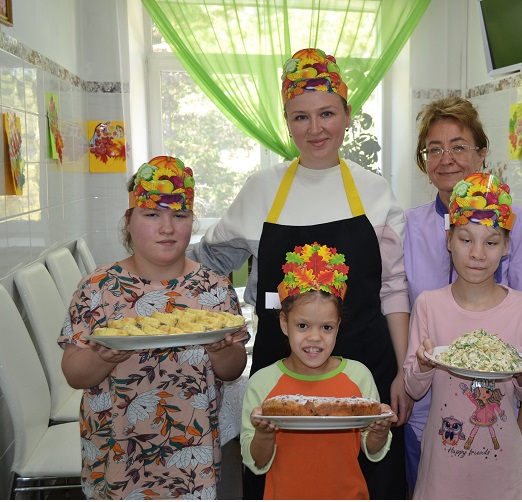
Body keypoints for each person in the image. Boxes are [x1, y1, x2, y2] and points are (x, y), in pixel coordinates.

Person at [189, 47, 411, 499]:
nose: (315, 129)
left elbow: (393, 289)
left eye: (326, 113)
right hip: (281, 374)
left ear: (347, 115)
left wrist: (403, 372)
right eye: (300, 117)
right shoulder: (261, 190)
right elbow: (208, 262)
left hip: (366, 371)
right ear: (286, 122)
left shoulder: (375, 193)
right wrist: (217, 322)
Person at [59, 156, 249, 499]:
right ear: (128, 222)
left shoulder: (215, 288)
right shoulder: (97, 288)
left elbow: (233, 370)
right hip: (116, 457)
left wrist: (221, 350)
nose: (167, 228)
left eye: (180, 215)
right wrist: (103, 357)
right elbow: (74, 374)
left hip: (192, 458)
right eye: (151, 215)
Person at [403, 96, 522, 491]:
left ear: (482, 153)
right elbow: (399, 307)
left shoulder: (515, 223)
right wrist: (407, 377)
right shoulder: (408, 226)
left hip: (495, 404)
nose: (446, 159)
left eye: (459, 146)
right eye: (434, 149)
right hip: (425, 403)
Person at [240, 242, 397, 499]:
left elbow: (372, 450)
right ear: (284, 323)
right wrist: (264, 434)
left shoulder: (358, 376)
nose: (315, 337)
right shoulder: (262, 382)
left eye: (326, 327)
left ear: (338, 326)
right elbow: (256, 463)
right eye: (302, 326)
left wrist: (379, 432)